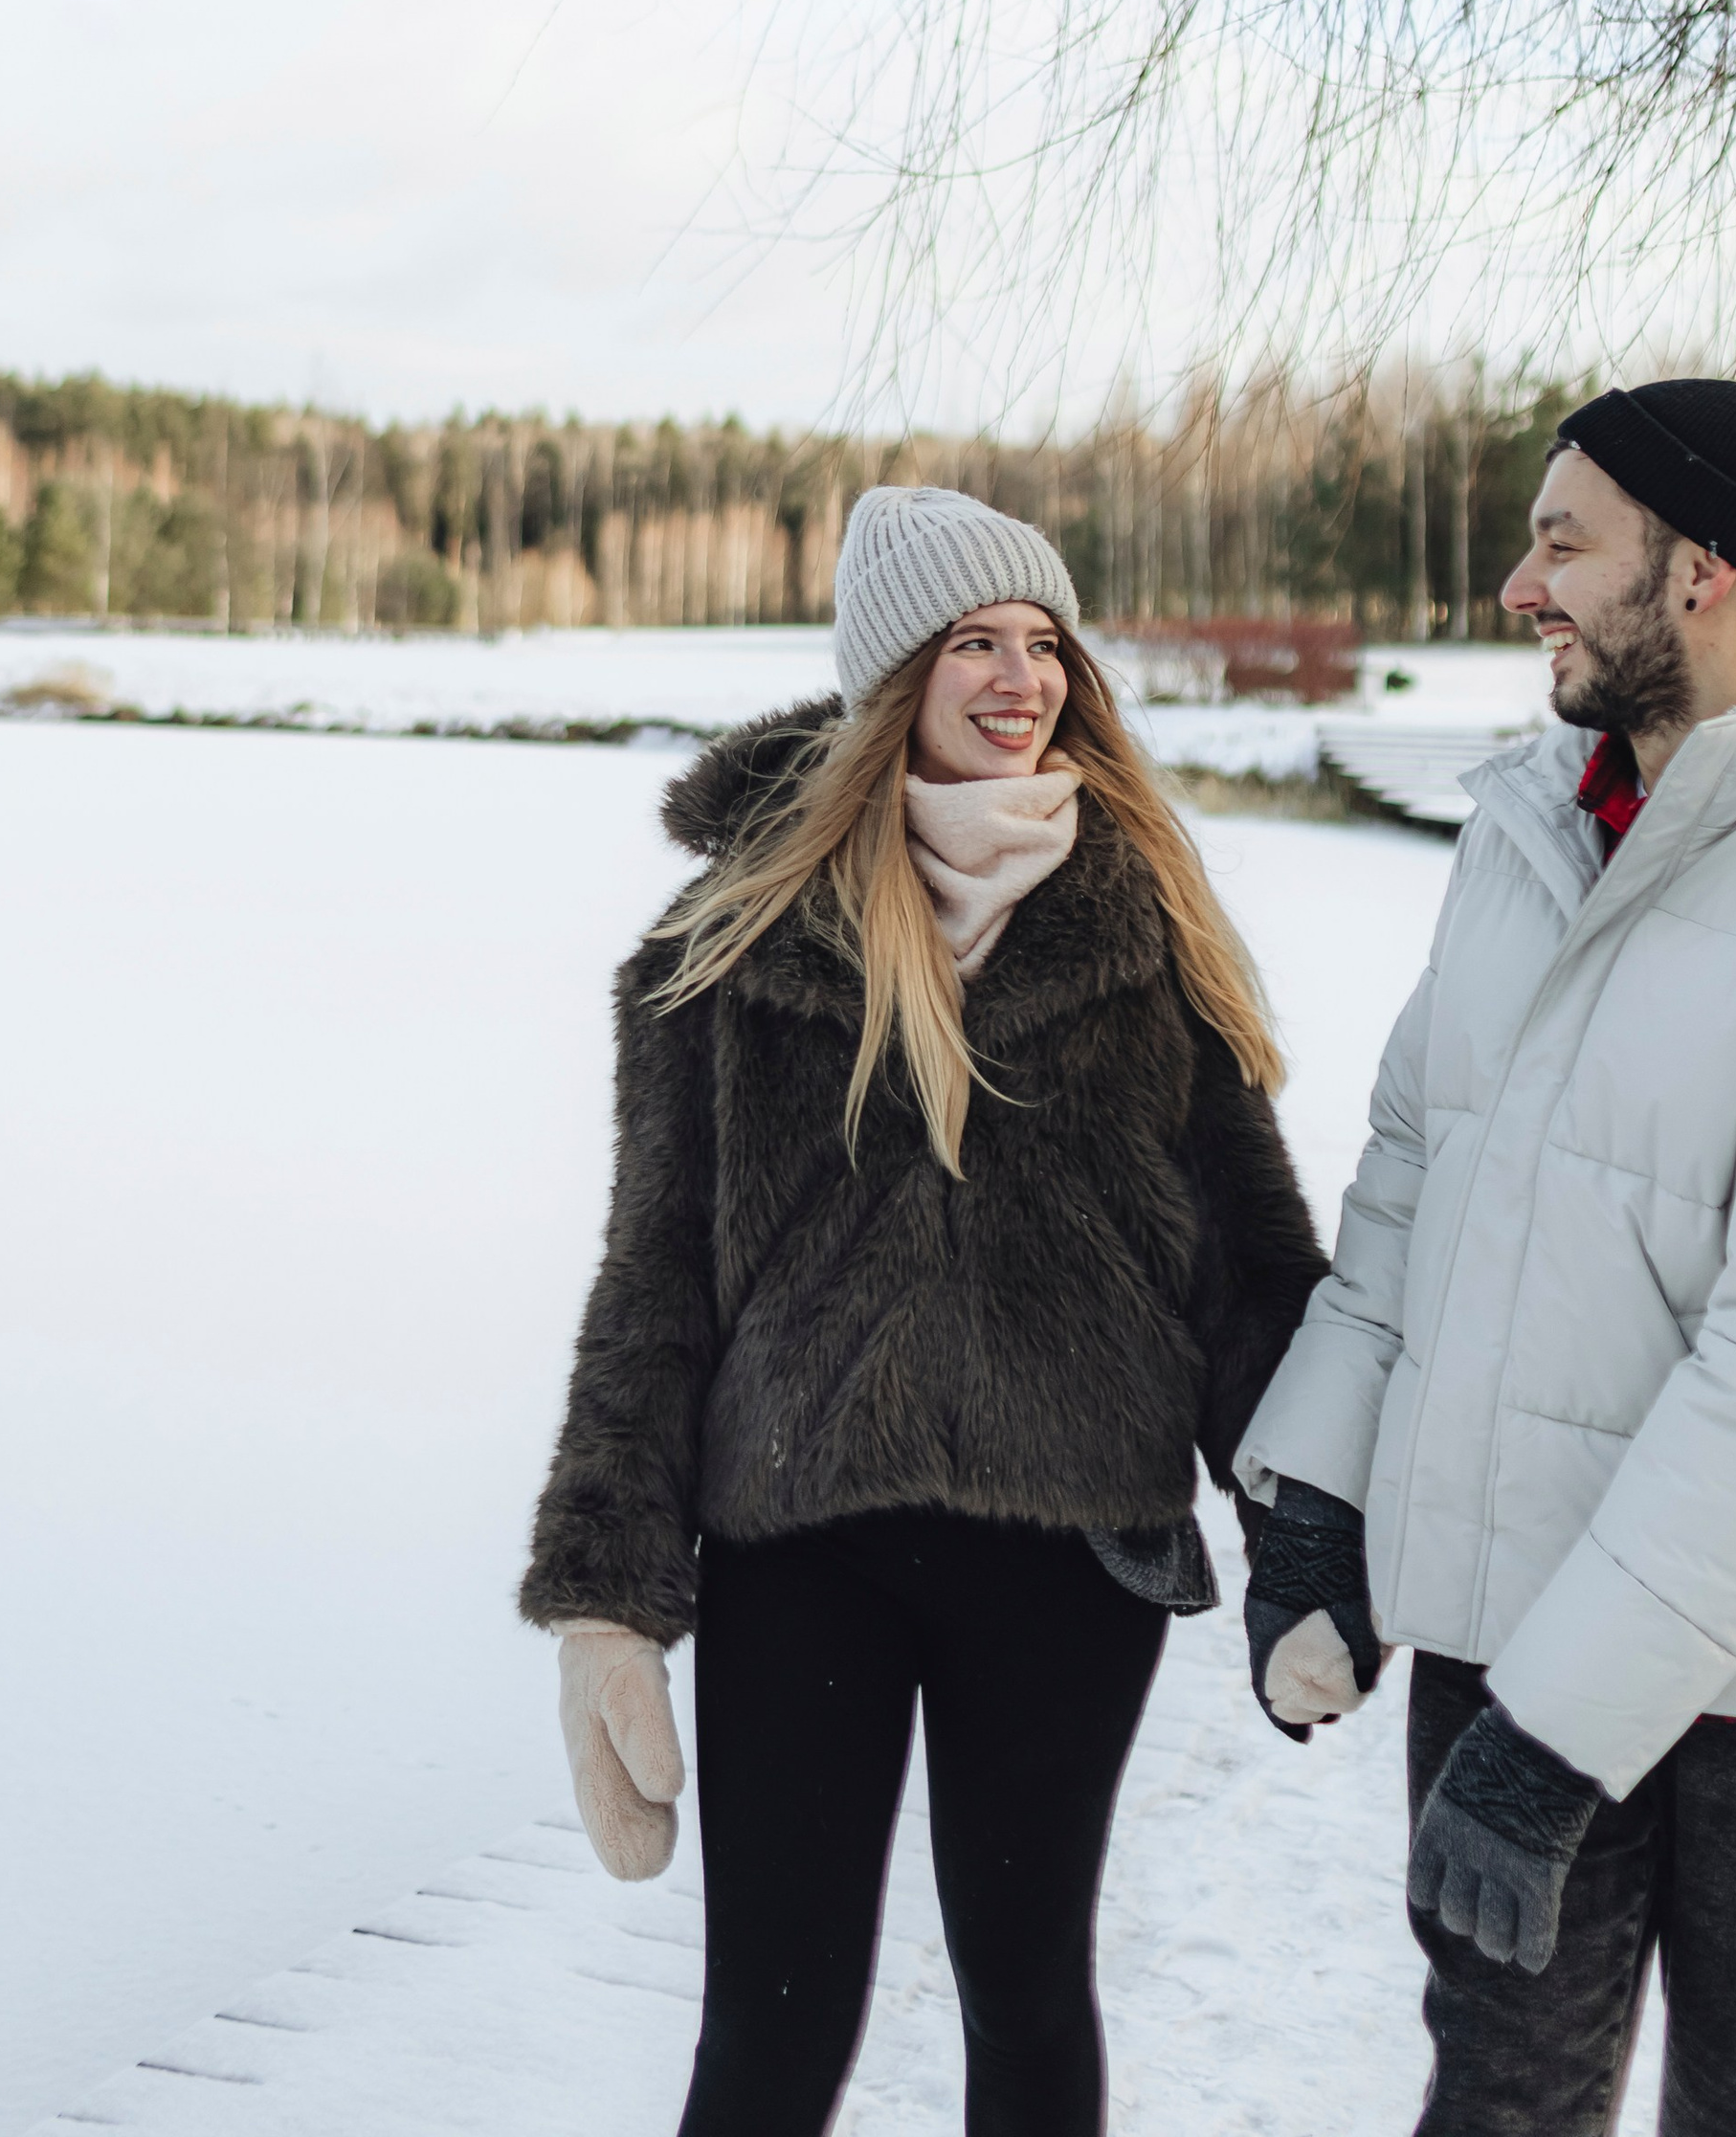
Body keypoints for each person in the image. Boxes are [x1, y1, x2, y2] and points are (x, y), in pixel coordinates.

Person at [522, 480, 1327, 2137]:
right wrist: (609, 1598)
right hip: (802, 1547)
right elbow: (654, 1284)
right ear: (897, 676)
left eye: (1044, 642)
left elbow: (1249, 1273)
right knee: (771, 2031)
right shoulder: (727, 950)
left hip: (1069, 1554)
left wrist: (1309, 1544)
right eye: (974, 642)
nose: (1021, 676)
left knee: (1027, 2000)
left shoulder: (1152, 933)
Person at [1238, 377, 1736, 2137]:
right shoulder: (1530, 822)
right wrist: (1320, 1492)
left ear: (1703, 572)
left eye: (1561, 544)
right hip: (1505, 1634)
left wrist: (1550, 1750)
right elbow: (1411, 1189)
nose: (1522, 589)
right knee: (1498, 2114)